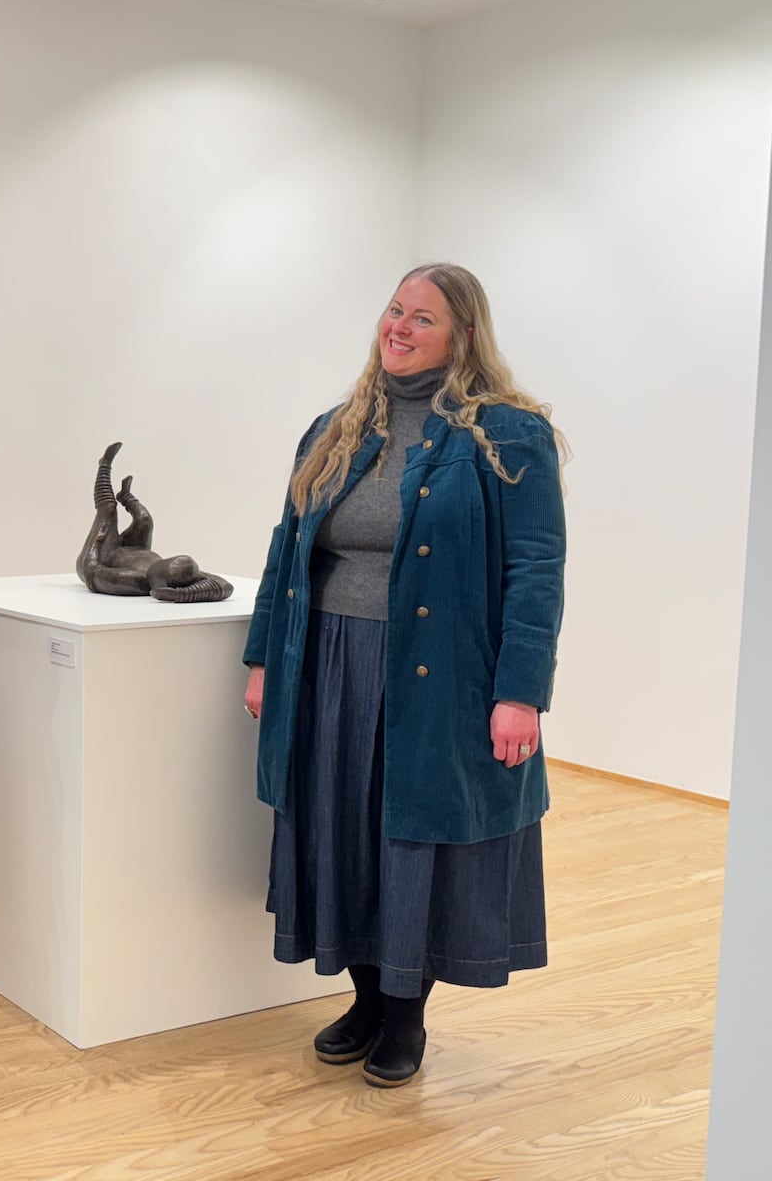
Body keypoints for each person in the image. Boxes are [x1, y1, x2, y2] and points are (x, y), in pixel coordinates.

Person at [243, 262, 565, 1088]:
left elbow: (536, 567)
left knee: (411, 840)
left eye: (423, 318)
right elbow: (287, 552)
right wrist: (262, 661)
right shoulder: (335, 427)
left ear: (463, 337)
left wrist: (520, 691)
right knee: (339, 831)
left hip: (439, 677)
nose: (400, 327)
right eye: (394, 310)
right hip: (328, 666)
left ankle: (406, 1014)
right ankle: (363, 996)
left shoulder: (506, 432)